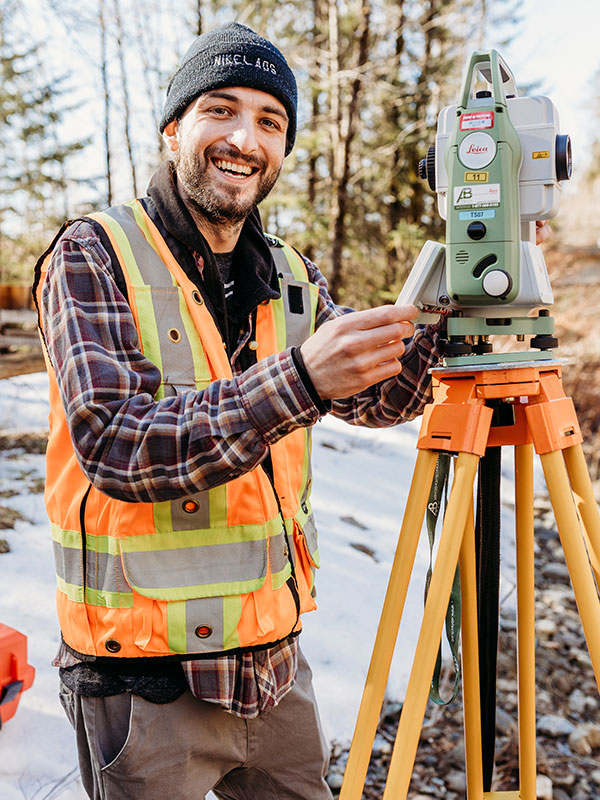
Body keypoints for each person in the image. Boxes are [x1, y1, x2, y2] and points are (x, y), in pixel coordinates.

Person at [33, 21, 547, 800]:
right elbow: (119, 446)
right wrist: (303, 379)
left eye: (270, 122)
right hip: (142, 685)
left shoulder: (289, 272)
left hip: (275, 670)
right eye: (221, 110)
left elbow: (379, 399)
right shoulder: (94, 254)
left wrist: (465, 289)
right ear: (174, 128)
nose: (245, 138)